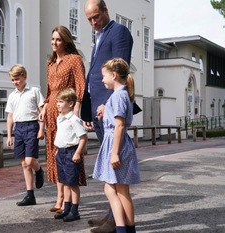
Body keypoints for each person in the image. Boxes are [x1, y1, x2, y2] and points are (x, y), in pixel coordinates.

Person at [80, 1, 137, 232]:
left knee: (114, 172)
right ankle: (113, 216)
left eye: (96, 17)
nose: (93, 22)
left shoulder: (119, 32)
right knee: (109, 175)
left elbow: (119, 69)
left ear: (105, 11)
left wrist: (106, 103)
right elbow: (94, 74)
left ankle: (116, 223)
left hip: (109, 109)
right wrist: (87, 108)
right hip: (99, 107)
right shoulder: (99, 36)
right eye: (89, 19)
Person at [39, 26, 87, 213]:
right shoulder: (50, 64)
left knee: (68, 152)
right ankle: (59, 198)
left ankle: (67, 201)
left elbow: (80, 87)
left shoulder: (74, 60)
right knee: (54, 156)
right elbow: (49, 91)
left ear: (66, 41)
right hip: (51, 113)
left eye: (58, 39)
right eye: (53, 39)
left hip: (66, 113)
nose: (54, 43)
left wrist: (76, 111)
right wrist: (43, 107)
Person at [94, 58, 140, 233]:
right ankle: (126, 229)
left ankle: (122, 229)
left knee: (117, 191)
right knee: (118, 190)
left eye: (104, 76)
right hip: (116, 143)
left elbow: (119, 125)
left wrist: (114, 154)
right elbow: (116, 121)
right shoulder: (120, 95)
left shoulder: (119, 95)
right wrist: (105, 114)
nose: (102, 80)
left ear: (113, 75)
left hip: (116, 146)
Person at [5, 64, 45, 206]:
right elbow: (10, 116)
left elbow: (42, 112)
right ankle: (30, 195)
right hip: (19, 128)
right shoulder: (12, 96)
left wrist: (41, 129)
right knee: (24, 164)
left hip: (32, 126)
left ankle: (39, 170)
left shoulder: (34, 91)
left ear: (25, 77)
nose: (15, 82)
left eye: (17, 79)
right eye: (12, 80)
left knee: (29, 161)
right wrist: (9, 136)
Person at [52, 88, 88, 222]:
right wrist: (57, 150)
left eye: (61, 102)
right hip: (61, 153)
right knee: (64, 182)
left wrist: (78, 153)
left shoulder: (74, 120)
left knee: (73, 184)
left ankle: (74, 211)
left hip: (71, 153)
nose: (58, 104)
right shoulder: (59, 118)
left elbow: (83, 137)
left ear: (71, 103)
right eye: (57, 102)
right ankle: (66, 209)